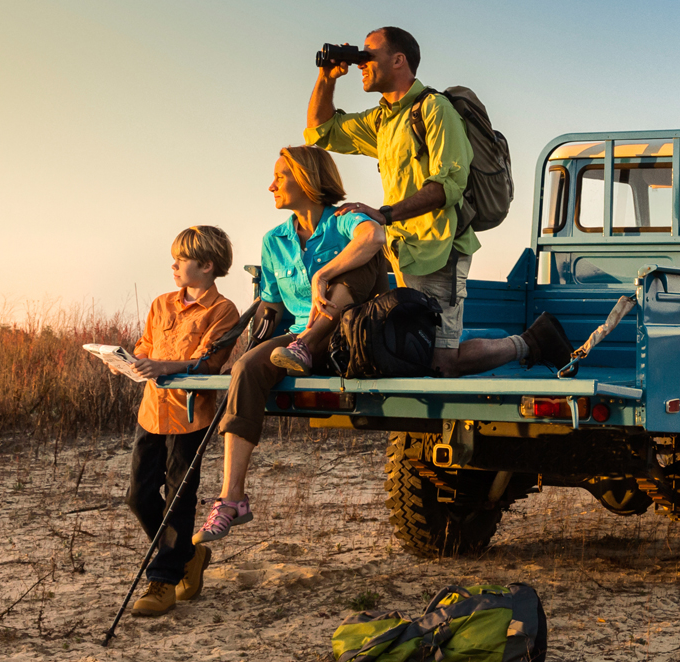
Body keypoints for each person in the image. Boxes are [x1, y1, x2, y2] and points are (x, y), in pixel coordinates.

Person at [304, 26, 573, 378]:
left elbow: (449, 185)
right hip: (403, 251)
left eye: (368, 55)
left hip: (440, 251)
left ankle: (531, 342)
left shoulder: (434, 109)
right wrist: (327, 77)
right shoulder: (384, 119)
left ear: (398, 60)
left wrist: (385, 215)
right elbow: (320, 131)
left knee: (440, 363)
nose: (361, 64)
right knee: (414, 352)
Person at [193, 145, 387, 544]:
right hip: (295, 338)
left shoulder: (346, 220)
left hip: (353, 336)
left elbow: (375, 236)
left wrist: (323, 276)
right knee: (247, 368)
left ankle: (309, 343)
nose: (271, 186)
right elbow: (272, 307)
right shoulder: (274, 240)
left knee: (362, 261)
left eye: (280, 177)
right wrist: (238, 351)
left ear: (307, 178)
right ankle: (232, 499)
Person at [105, 225, 240, 617]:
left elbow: (209, 362)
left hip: (189, 415)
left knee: (178, 500)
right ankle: (189, 556)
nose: (174, 266)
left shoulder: (224, 311)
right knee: (139, 496)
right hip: (152, 412)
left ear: (207, 265)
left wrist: (165, 365)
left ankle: (162, 582)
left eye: (181, 260)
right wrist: (127, 363)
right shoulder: (161, 303)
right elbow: (146, 346)